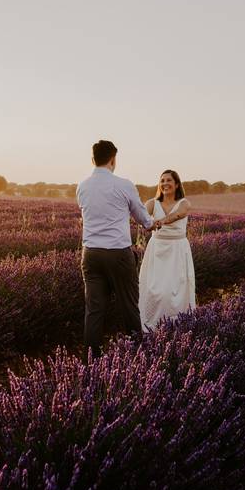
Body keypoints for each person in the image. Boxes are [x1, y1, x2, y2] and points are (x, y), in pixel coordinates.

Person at [76, 140, 157, 358]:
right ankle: (139, 355)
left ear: (92, 159)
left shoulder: (82, 186)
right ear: (113, 159)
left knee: (94, 309)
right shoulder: (124, 184)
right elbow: (142, 217)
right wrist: (151, 224)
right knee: (128, 305)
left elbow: (86, 217)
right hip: (118, 254)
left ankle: (91, 360)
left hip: (90, 254)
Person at [139, 169, 196, 329]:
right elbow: (140, 215)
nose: (165, 183)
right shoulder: (152, 203)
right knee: (154, 290)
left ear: (176, 184)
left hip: (177, 250)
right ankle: (152, 325)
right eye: (162, 180)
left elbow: (178, 214)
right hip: (157, 250)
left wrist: (159, 222)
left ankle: (177, 326)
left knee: (175, 290)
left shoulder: (184, 203)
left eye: (169, 180)